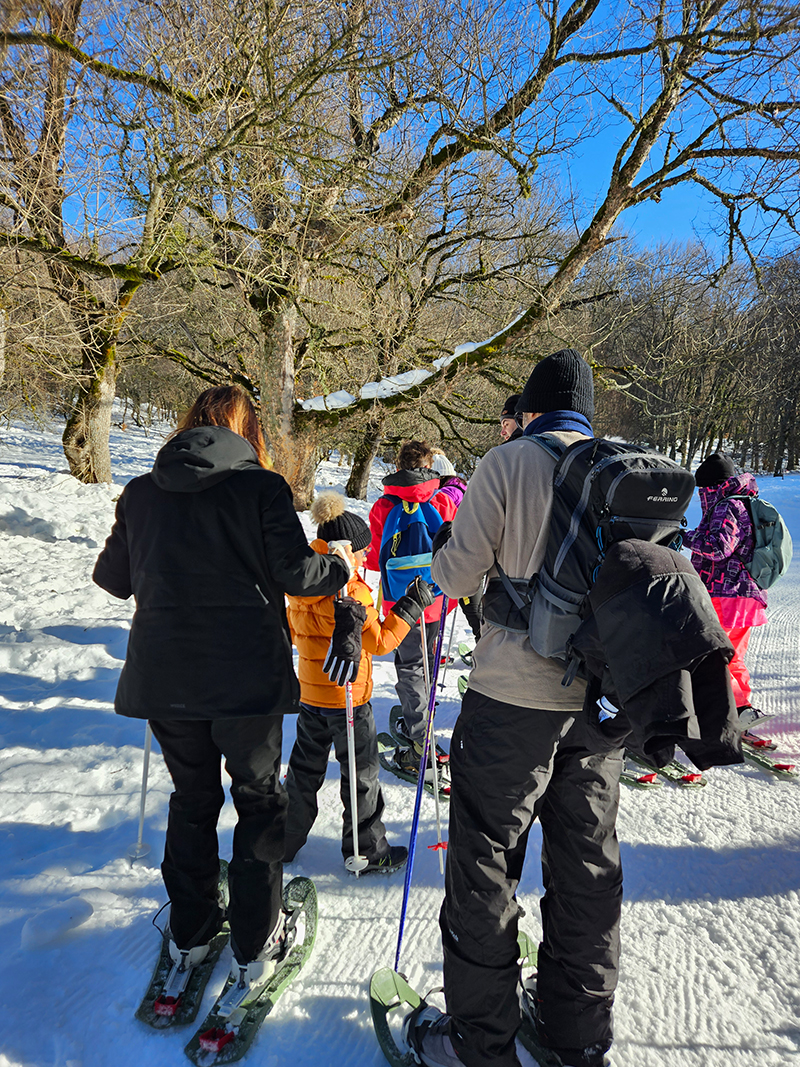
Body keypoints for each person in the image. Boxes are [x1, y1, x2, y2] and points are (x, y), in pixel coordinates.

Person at [92, 386, 352, 990]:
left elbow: (112, 578)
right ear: (248, 431)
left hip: (166, 676)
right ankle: (254, 943)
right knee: (259, 800)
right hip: (243, 680)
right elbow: (298, 575)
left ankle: (191, 929)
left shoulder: (141, 491)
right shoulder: (260, 488)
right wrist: (339, 564)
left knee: (191, 799)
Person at [406, 350, 621, 1067]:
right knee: (586, 868)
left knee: (484, 866)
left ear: (530, 407)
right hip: (598, 705)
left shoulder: (508, 462)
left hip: (510, 701)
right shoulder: (616, 468)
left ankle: (481, 1042)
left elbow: (457, 573)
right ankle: (576, 1035)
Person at [283, 490, 433, 872]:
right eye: (362, 551)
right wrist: (409, 609)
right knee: (361, 776)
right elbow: (381, 642)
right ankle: (366, 851)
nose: (366, 558)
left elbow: (295, 630)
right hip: (348, 698)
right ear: (344, 549)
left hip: (312, 695)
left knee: (304, 773)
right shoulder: (349, 592)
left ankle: (282, 840)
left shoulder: (301, 582)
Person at [366, 440, 457, 774]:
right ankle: (421, 722)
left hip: (400, 603)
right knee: (427, 661)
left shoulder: (383, 506)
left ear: (398, 465)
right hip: (435, 598)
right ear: (429, 464)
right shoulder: (444, 500)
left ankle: (420, 740)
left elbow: (376, 559)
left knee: (409, 666)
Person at [683, 452, 772, 729]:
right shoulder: (744, 502)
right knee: (733, 657)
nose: (700, 495)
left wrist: (682, 536)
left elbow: (718, 547)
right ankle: (741, 708)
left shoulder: (726, 506)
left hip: (725, 594)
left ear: (711, 486)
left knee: (710, 655)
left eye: (701, 489)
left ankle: (713, 713)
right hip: (745, 596)